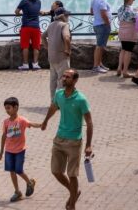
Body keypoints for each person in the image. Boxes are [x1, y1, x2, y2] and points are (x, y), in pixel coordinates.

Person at [41, 69, 93, 210]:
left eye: (67, 77)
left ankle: (72, 205)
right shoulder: (59, 94)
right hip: (59, 139)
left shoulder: (81, 99)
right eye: (63, 76)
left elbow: (89, 122)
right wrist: (45, 121)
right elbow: (53, 107)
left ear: (75, 80)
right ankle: (74, 192)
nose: (64, 79)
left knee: (72, 175)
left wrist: (88, 145)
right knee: (56, 171)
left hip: (74, 142)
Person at [0, 97, 39, 203]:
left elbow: (31, 124)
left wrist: (42, 124)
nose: (7, 110)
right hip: (9, 151)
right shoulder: (6, 122)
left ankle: (29, 182)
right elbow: (4, 136)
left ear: (16, 107)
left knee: (18, 170)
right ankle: (17, 192)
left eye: (9, 108)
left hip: (20, 150)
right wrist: (1, 150)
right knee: (11, 171)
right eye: (6, 108)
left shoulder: (22, 120)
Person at [42, 7, 72, 104]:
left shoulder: (51, 25)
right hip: (61, 56)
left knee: (53, 80)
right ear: (62, 16)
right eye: (66, 15)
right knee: (62, 80)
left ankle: (52, 101)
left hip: (52, 57)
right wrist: (67, 50)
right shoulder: (64, 25)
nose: (68, 17)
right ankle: (59, 102)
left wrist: (47, 47)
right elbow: (66, 37)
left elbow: (43, 36)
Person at [16, 0, 42, 71]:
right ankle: (35, 64)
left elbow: (16, 12)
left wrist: (22, 14)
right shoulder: (38, 2)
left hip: (26, 26)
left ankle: (25, 64)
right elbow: (37, 11)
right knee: (36, 46)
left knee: (25, 46)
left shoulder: (24, 1)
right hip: (36, 27)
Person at [90, 0, 112, 73]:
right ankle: (96, 66)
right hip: (102, 25)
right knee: (99, 46)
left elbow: (91, 11)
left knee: (101, 46)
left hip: (97, 24)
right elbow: (103, 13)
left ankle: (99, 63)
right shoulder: (102, 0)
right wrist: (108, 24)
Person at [116, 0, 138, 79]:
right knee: (128, 51)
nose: (133, 0)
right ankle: (125, 71)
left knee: (123, 49)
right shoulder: (132, 10)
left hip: (122, 31)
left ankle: (119, 68)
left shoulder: (120, 8)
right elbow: (137, 19)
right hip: (130, 32)